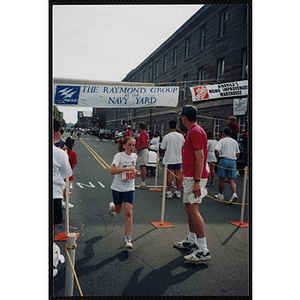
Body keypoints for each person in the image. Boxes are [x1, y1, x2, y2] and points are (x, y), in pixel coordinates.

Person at [174, 105, 211, 264]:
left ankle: (203, 249)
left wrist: (196, 181)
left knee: (193, 209)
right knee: (190, 209)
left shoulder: (195, 132)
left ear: (184, 117)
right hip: (191, 175)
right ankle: (192, 239)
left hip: (196, 177)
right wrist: (184, 173)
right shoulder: (194, 131)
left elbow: (200, 157)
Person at [109, 136, 140, 248]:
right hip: (117, 187)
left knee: (128, 212)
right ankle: (112, 207)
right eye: (129, 145)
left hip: (129, 187)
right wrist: (127, 169)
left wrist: (135, 173)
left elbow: (133, 170)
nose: (132, 147)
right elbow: (112, 171)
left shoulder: (135, 156)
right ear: (124, 145)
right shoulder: (119, 156)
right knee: (118, 210)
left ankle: (128, 238)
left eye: (133, 145)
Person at [53, 118, 72, 236]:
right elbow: (67, 173)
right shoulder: (60, 154)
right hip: (54, 194)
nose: (61, 133)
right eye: (60, 130)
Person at [214, 126, 240, 203]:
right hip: (232, 161)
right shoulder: (234, 141)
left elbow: (216, 150)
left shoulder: (222, 141)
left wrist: (217, 156)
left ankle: (221, 194)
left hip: (223, 159)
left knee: (221, 178)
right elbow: (238, 153)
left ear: (223, 133)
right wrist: (234, 156)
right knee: (231, 179)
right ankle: (234, 193)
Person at [160, 120, 185, 199]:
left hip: (169, 159)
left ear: (169, 127)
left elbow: (162, 148)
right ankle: (178, 192)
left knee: (169, 176)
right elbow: (183, 145)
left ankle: (169, 192)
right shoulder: (181, 136)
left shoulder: (167, 136)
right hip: (178, 158)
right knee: (178, 175)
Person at [63, 136, 78, 208]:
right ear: (73, 145)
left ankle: (60, 201)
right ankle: (66, 203)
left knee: (60, 188)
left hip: (60, 172)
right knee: (66, 188)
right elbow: (74, 164)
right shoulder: (73, 153)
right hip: (68, 173)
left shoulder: (62, 151)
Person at [135, 122, 149, 188]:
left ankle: (143, 182)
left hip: (143, 150)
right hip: (144, 150)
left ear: (139, 127)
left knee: (143, 167)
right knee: (142, 166)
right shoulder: (145, 133)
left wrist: (138, 150)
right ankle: (143, 181)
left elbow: (143, 143)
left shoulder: (143, 133)